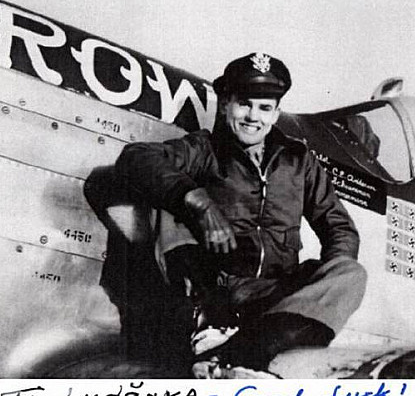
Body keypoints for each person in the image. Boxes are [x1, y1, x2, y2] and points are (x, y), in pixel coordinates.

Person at [116, 52, 367, 378]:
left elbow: (338, 227)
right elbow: (136, 157)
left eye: (264, 108)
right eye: (244, 104)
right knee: (166, 199)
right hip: (216, 291)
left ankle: (242, 350)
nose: (253, 117)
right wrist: (199, 203)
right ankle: (227, 341)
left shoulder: (298, 161)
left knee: (351, 272)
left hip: (274, 295)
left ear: (276, 114)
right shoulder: (205, 149)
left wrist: (315, 293)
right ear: (226, 105)